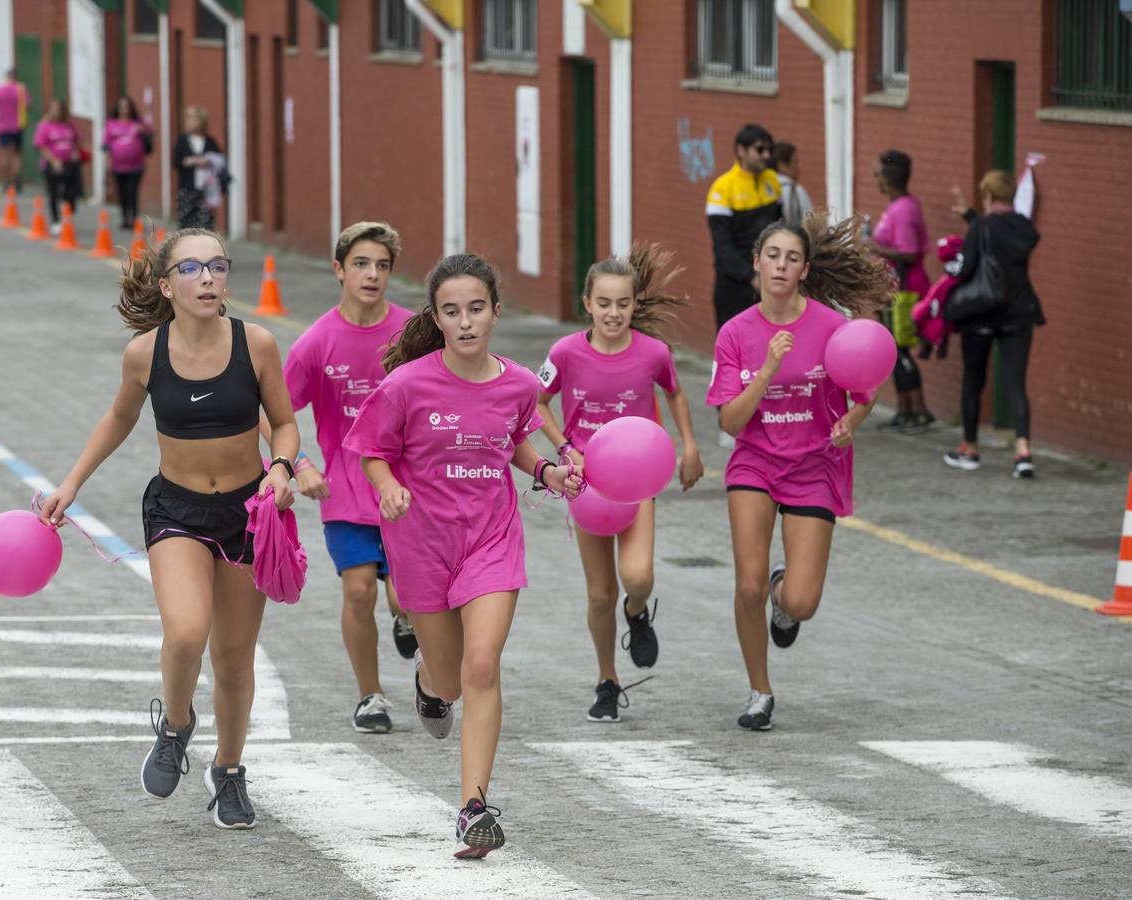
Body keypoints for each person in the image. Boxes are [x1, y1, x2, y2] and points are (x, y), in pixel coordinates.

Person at [37, 229, 299, 830]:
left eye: (216, 266)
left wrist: (282, 467)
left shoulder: (256, 344)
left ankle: (228, 771)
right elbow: (118, 418)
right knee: (186, 633)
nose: (207, 278)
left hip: (246, 514)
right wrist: (71, 484)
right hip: (176, 510)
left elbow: (283, 424)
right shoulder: (144, 354)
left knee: (234, 661)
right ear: (167, 285)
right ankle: (177, 725)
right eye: (191, 269)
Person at [345, 253, 582, 857]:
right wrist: (387, 486)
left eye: (477, 308)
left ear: (496, 312)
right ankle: (427, 682)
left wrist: (550, 472)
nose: (467, 321)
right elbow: (371, 450)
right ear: (438, 318)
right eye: (452, 311)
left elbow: (518, 441)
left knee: (482, 665)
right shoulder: (405, 385)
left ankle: (474, 808)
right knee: (450, 677)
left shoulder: (521, 384)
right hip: (420, 542)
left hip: (490, 539)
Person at [707, 214, 894, 731]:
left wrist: (852, 420)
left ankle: (782, 597)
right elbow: (729, 420)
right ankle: (759, 692)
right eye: (773, 256)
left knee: (804, 601)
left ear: (804, 269)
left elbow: (866, 388)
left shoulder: (834, 329)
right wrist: (766, 370)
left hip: (815, 464)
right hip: (756, 463)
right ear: (757, 263)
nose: (781, 266)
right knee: (746, 586)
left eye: (792, 258)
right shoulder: (736, 333)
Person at [535, 243, 704, 723]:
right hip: (586, 483)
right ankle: (607, 680)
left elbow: (674, 393)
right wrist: (567, 449)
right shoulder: (564, 352)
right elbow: (538, 402)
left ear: (635, 305)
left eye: (623, 304)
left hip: (636, 480)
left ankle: (638, 612)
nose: (614, 313)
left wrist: (689, 446)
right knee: (598, 593)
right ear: (587, 303)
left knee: (638, 578)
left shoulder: (653, 353)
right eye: (604, 303)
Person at [277, 222, 416, 735]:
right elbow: (274, 414)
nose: (372, 275)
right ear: (338, 270)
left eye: (382, 265)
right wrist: (300, 464)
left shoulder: (413, 335)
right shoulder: (316, 344)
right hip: (345, 493)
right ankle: (371, 696)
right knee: (359, 591)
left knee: (406, 597)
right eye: (361, 264)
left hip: (408, 492)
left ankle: (408, 623)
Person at [944, 170, 1045, 479]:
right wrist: (971, 217)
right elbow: (999, 238)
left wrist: (949, 264)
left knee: (974, 381)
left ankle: (970, 448)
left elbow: (964, 268)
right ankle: (1023, 452)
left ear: (987, 196)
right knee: (1016, 384)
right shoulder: (1025, 227)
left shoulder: (983, 228)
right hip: (1019, 313)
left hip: (982, 314)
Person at [706, 123, 782, 448]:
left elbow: (779, 231)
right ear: (741, 150)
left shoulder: (772, 183)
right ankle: (727, 420)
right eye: (759, 150)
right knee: (731, 355)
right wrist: (749, 274)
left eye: (769, 150)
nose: (766, 156)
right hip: (734, 284)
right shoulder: (722, 189)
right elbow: (721, 246)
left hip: (765, 281)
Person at [867, 149, 936, 433]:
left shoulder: (905, 209)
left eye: (877, 173)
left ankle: (919, 410)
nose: (874, 179)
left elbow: (908, 253)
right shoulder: (897, 206)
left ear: (888, 178)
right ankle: (904, 409)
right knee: (894, 350)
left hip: (906, 290)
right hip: (893, 288)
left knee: (900, 349)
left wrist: (873, 247)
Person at [33, 98, 82, 233]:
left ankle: (68, 215)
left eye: (58, 109)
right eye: (53, 109)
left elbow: (76, 141)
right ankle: (55, 220)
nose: (56, 112)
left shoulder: (69, 125)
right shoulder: (44, 125)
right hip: (51, 164)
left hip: (69, 163)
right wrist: (54, 160)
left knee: (71, 192)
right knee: (54, 192)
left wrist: (75, 152)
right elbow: (41, 146)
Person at [103, 96, 151, 230]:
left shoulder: (138, 123)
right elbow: (106, 145)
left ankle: (134, 218)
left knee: (132, 191)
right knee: (122, 192)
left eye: (127, 106)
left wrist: (144, 132)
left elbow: (150, 138)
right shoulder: (111, 124)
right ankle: (124, 217)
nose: (125, 109)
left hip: (136, 165)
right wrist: (107, 162)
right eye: (122, 106)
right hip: (118, 166)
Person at [173, 106, 223, 230]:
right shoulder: (182, 140)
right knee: (186, 221)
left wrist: (208, 161)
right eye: (188, 119)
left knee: (205, 223)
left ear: (202, 122)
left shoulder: (210, 141)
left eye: (194, 119)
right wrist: (193, 161)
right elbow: (176, 161)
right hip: (187, 187)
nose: (190, 123)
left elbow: (219, 160)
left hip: (206, 190)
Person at [0, 69, 30, 192]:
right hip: (18, 126)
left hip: (2, 126)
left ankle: (6, 180)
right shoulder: (21, 89)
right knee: (17, 155)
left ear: (6, 77)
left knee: (4, 154)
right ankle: (16, 178)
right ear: (16, 77)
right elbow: (27, 104)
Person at [772, 142, 812, 228]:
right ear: (782, 165)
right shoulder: (797, 191)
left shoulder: (762, 189)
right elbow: (810, 224)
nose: (798, 167)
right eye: (795, 162)